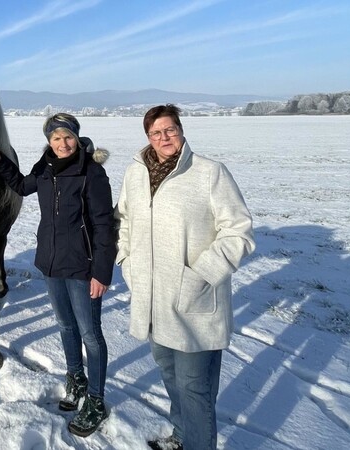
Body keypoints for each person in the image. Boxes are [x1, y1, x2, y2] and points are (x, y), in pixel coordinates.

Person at [114, 104, 255, 450]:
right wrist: (126, 261)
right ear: (148, 137)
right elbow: (126, 221)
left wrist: (201, 275)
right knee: (171, 378)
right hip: (153, 303)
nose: (164, 138)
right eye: (156, 133)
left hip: (195, 302)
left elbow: (239, 232)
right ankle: (180, 436)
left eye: (169, 130)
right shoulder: (135, 173)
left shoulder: (209, 173)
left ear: (181, 130)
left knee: (195, 390)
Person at [0, 113, 116, 437]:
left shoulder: (92, 172)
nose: (62, 143)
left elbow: (104, 226)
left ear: (77, 137)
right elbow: (21, 185)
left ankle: (96, 400)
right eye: (56, 138)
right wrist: (0, 161)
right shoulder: (44, 168)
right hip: (52, 263)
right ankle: (75, 379)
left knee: (90, 334)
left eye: (67, 137)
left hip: (83, 268)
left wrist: (102, 272)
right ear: (49, 141)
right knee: (64, 325)